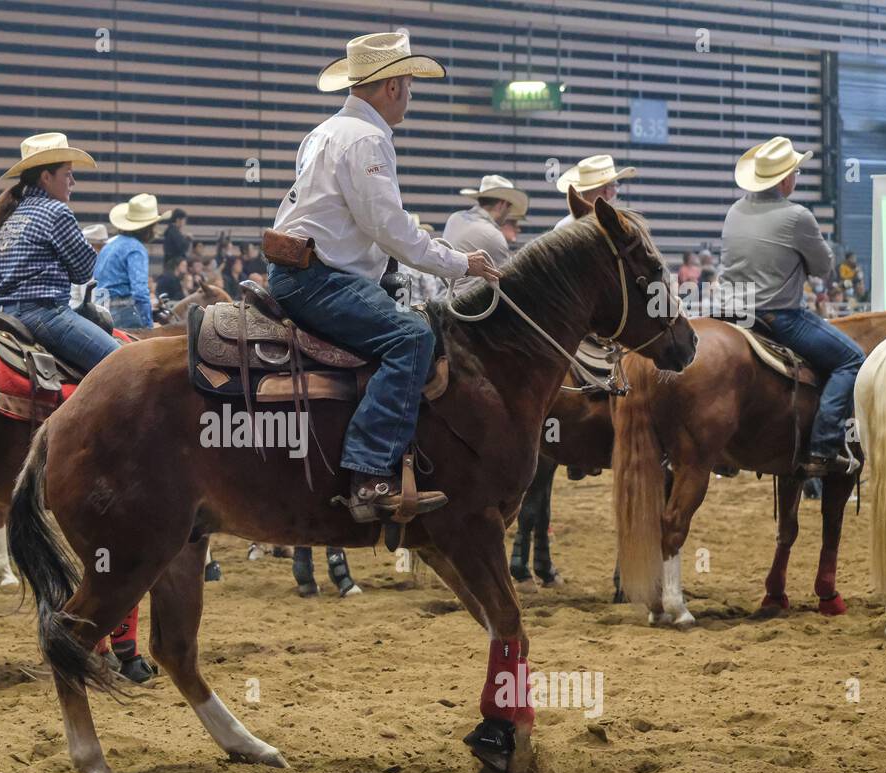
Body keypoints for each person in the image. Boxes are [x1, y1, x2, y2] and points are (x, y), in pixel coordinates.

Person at [266, 32, 499, 522]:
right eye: (410, 85)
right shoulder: (367, 139)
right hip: (319, 279)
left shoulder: (325, 132)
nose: (410, 96)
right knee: (412, 337)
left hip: (303, 270)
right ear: (392, 86)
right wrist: (461, 263)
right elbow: (390, 230)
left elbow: (375, 222)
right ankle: (370, 472)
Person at [719, 135, 861, 475]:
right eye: (795, 171)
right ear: (786, 179)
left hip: (727, 314)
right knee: (852, 359)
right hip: (777, 316)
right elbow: (824, 268)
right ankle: (824, 446)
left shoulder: (735, 210)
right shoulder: (797, 216)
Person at [0, 131, 121, 372]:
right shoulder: (56, 211)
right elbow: (83, 272)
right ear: (46, 176)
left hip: (0, 314)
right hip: (43, 315)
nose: (72, 182)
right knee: (124, 363)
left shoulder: (12, 213)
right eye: (67, 174)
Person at [94, 193, 168, 329]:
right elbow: (140, 292)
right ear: (149, 227)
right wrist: (148, 325)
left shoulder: (110, 245)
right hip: (123, 313)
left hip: (99, 312)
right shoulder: (136, 249)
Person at [444, 173, 529, 285]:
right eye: (509, 207)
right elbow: (506, 281)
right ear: (502, 204)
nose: (509, 212)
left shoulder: (455, 217)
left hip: (443, 296)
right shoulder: (493, 235)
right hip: (470, 300)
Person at [553, 154, 636, 230]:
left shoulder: (563, 227)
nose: (614, 192)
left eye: (615, 185)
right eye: (612, 185)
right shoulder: (621, 225)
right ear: (606, 192)